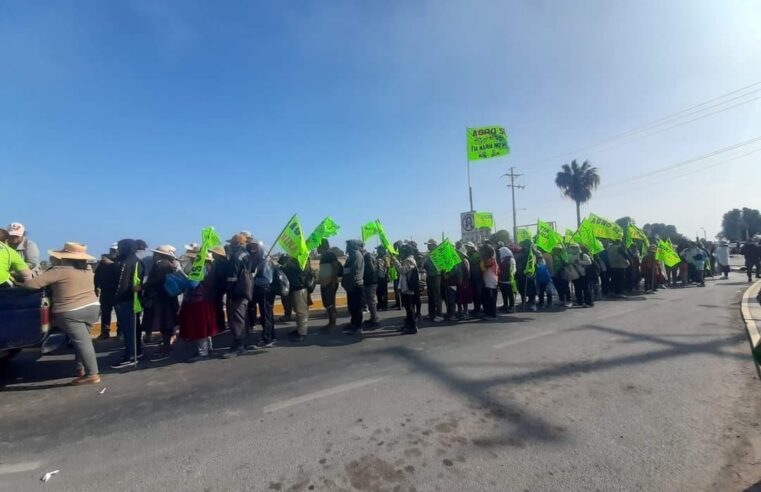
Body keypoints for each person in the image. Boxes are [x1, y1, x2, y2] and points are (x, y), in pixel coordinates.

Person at [21, 243, 101, 384]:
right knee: (83, 341)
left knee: (82, 343)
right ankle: (80, 368)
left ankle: (92, 374)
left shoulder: (59, 270)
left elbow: (32, 284)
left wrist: (20, 282)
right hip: (92, 308)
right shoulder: (88, 269)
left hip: (71, 311)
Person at [179, 247, 219, 362]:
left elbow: (192, 283)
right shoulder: (209, 266)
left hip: (198, 301)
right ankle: (208, 349)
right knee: (206, 326)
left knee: (200, 327)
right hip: (207, 299)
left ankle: (203, 352)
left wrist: (182, 281)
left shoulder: (199, 268)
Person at [142, 245, 181, 361]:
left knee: (165, 325)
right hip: (167, 298)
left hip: (162, 299)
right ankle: (166, 347)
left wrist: (143, 286)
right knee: (166, 325)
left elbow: (159, 281)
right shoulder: (168, 264)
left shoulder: (162, 265)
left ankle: (166, 349)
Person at [110, 239, 145, 369]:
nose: (118, 250)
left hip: (125, 300)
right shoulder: (138, 261)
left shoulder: (125, 263)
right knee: (135, 328)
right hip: (136, 300)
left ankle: (130, 356)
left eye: (120, 247)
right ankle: (137, 351)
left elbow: (121, 284)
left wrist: (116, 300)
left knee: (128, 330)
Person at [223, 234, 253, 358]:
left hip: (237, 291)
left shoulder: (235, 257)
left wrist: (229, 293)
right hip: (246, 289)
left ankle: (239, 346)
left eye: (231, 243)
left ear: (235, 243)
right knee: (243, 317)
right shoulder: (247, 254)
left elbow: (232, 278)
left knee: (236, 319)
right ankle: (242, 343)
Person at [249, 241, 276, 347]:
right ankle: (270, 335)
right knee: (267, 315)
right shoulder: (258, 261)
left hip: (266, 291)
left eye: (255, 248)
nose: (253, 250)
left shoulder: (266, 262)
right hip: (260, 292)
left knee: (266, 315)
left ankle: (267, 339)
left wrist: (252, 279)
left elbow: (267, 280)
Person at [390, 244, 420, 334]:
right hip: (406, 287)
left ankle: (412, 327)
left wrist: (395, 260)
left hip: (409, 288)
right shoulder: (407, 260)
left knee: (409, 307)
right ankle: (408, 325)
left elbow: (402, 270)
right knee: (408, 307)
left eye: (402, 252)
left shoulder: (409, 261)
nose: (400, 254)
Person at [93, 244, 120, 339]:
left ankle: (120, 332)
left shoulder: (120, 262)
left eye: (115, 250)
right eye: (112, 250)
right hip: (106, 291)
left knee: (119, 313)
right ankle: (105, 332)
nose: (113, 252)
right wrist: (95, 287)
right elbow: (97, 275)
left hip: (117, 291)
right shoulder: (103, 262)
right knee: (105, 313)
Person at [282, 255, 309, 342]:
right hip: (294, 288)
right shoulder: (294, 260)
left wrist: (290, 264)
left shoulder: (303, 260)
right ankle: (299, 329)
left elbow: (303, 272)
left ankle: (302, 333)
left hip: (300, 288)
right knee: (298, 311)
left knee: (301, 311)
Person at [342, 239, 365, 334]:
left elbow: (353, 272)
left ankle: (358, 327)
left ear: (353, 245)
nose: (347, 247)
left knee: (357, 308)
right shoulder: (352, 255)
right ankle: (353, 323)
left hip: (355, 285)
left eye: (348, 245)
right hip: (351, 285)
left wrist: (349, 283)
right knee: (352, 307)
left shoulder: (356, 254)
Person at [209, 245, 229, 332]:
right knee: (219, 307)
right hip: (222, 287)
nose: (212, 254)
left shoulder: (219, 262)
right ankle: (220, 326)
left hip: (218, 287)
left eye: (213, 253)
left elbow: (219, 276)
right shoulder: (224, 261)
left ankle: (220, 326)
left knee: (217, 307)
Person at [515, 240, 538, 311]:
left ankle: (533, 304)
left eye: (525, 245)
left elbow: (536, 262)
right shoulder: (520, 252)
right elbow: (515, 258)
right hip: (520, 274)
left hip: (530, 274)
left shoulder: (533, 252)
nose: (523, 246)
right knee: (522, 289)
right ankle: (523, 303)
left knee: (531, 290)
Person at [361, 243, 380, 328]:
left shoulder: (367, 257)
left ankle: (375, 320)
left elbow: (370, 270)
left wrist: (363, 275)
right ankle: (373, 318)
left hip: (370, 282)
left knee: (371, 302)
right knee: (370, 301)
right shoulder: (368, 256)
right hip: (372, 281)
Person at [424, 239, 443, 322]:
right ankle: (431, 313)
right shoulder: (429, 254)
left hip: (436, 276)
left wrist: (428, 266)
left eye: (430, 244)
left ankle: (439, 315)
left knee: (437, 296)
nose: (428, 245)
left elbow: (440, 266)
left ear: (434, 245)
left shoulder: (438, 254)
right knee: (431, 296)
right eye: (428, 244)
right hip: (430, 276)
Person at [480, 244, 499, 319]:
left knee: (491, 299)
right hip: (489, 281)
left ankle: (492, 315)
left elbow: (483, 269)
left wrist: (481, 262)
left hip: (491, 282)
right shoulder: (490, 259)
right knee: (488, 299)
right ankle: (489, 314)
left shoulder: (490, 260)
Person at [455, 243, 472, 320]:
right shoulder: (458, 260)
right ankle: (460, 311)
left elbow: (467, 272)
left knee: (464, 298)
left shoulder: (465, 260)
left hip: (464, 282)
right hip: (459, 281)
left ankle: (466, 312)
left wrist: (464, 282)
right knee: (459, 297)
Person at [497, 247, 516, 313]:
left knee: (510, 294)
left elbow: (513, 269)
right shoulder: (502, 259)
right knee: (504, 294)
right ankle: (505, 305)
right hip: (502, 279)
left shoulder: (511, 259)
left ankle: (511, 306)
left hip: (508, 280)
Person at [376, 246, 391, 311]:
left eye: (378, 250)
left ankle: (384, 305)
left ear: (382, 250)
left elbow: (388, 267)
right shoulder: (376, 258)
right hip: (377, 277)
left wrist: (387, 275)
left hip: (384, 277)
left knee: (384, 292)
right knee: (378, 292)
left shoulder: (386, 257)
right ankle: (379, 304)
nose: (377, 251)